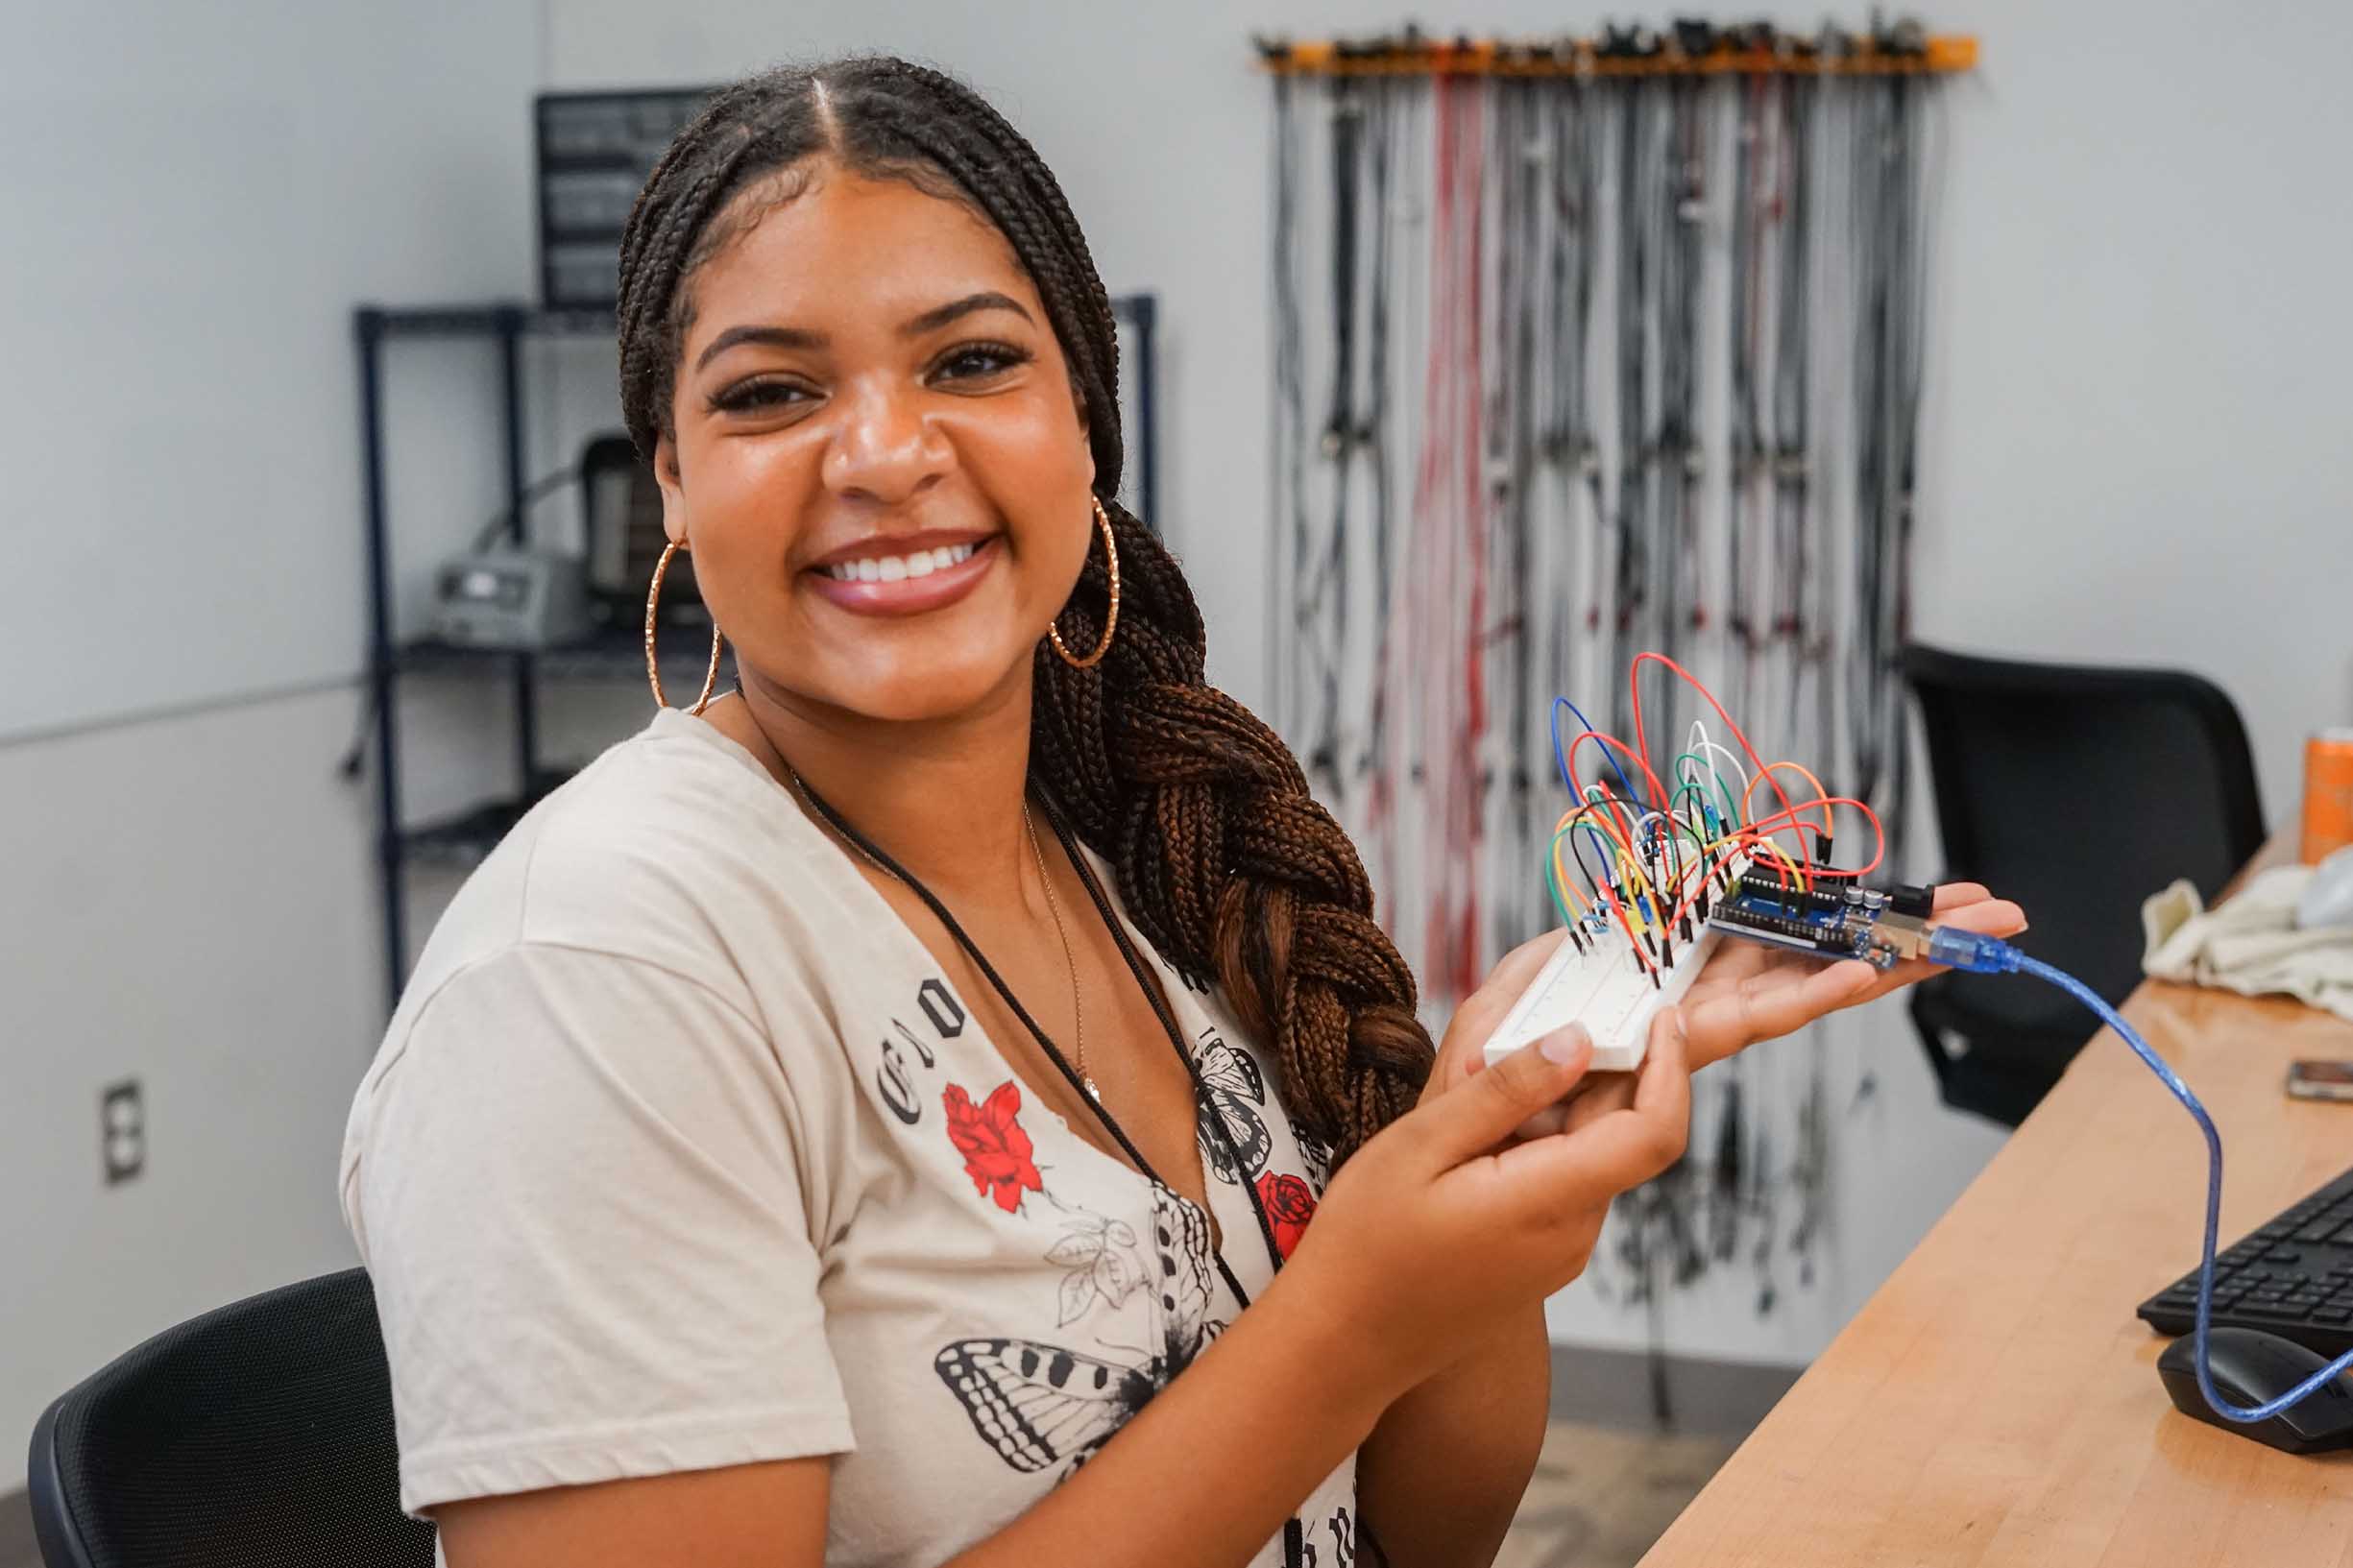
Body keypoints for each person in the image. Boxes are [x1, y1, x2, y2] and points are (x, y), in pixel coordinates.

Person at [338, 56, 2023, 1568]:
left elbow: (1405, 1539)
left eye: (972, 361)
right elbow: (1323, 1386)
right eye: (771, 392)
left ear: (1086, 430)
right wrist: (1350, 1317)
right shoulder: (599, 972)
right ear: (671, 483)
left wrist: (1488, 1175)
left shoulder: (1137, 851)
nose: (881, 449)